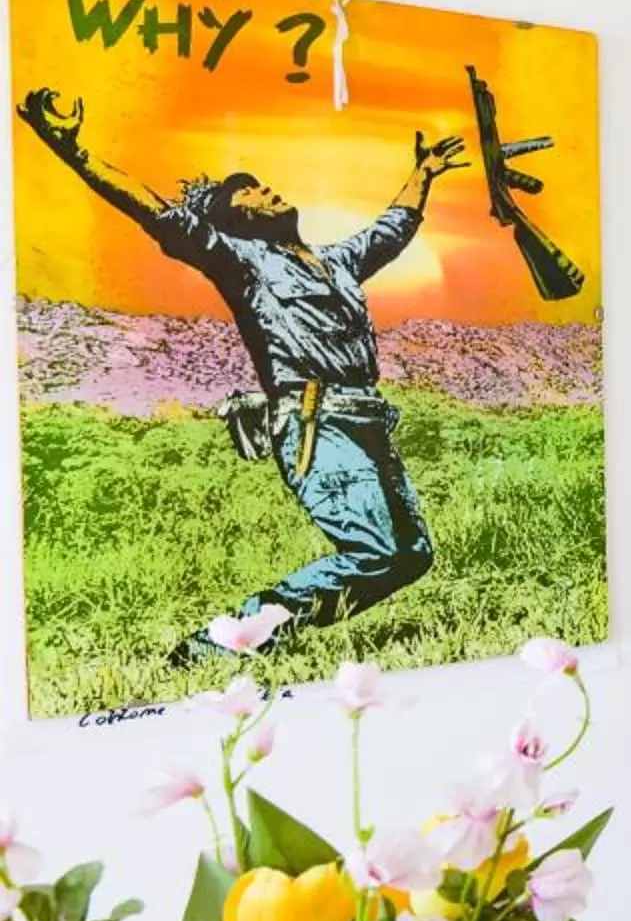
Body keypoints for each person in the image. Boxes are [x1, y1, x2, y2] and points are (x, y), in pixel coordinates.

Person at [13, 86, 467, 659]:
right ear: (237, 222)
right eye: (249, 193)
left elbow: (391, 229)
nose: (265, 190)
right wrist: (73, 151)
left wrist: (423, 173)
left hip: (366, 421)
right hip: (315, 425)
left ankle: (271, 632)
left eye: (260, 183)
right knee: (376, 553)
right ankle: (219, 645)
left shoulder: (336, 262)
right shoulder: (243, 264)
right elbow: (157, 213)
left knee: (411, 555)